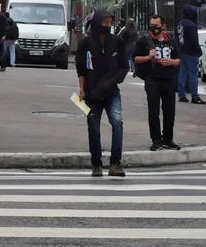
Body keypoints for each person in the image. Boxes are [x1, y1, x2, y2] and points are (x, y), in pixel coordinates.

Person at [76, 9, 128, 177]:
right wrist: (81, 90)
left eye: (110, 22)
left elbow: (124, 67)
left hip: (112, 91)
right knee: (93, 127)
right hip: (92, 93)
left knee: (117, 122)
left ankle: (115, 163)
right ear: (97, 23)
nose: (108, 25)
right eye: (104, 22)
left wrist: (113, 81)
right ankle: (96, 164)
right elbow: (81, 69)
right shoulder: (85, 44)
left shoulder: (118, 42)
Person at [133, 15, 181, 152]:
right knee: (153, 112)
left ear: (163, 26)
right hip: (152, 80)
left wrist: (172, 62)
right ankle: (156, 140)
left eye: (156, 25)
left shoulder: (171, 41)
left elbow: (178, 59)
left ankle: (168, 139)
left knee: (169, 111)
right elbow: (135, 59)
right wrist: (149, 57)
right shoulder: (144, 41)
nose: (153, 28)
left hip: (169, 80)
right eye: (151, 25)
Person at [177, 5, 206, 104]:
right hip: (191, 52)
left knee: (182, 73)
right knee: (193, 74)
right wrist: (199, 51)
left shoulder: (180, 23)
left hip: (182, 50)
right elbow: (194, 40)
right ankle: (195, 96)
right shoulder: (191, 25)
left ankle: (182, 95)